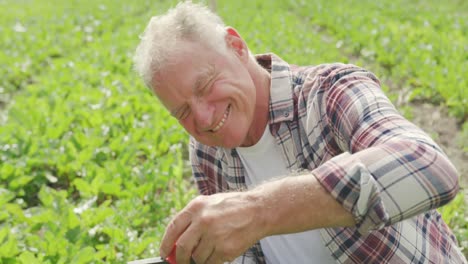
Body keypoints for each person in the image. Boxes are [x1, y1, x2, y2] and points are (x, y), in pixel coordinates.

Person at [133, 2, 466, 264]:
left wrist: (259, 211)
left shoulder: (330, 92)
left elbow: (429, 166)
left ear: (236, 46)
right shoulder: (207, 151)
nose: (203, 118)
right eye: (183, 112)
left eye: (206, 85)